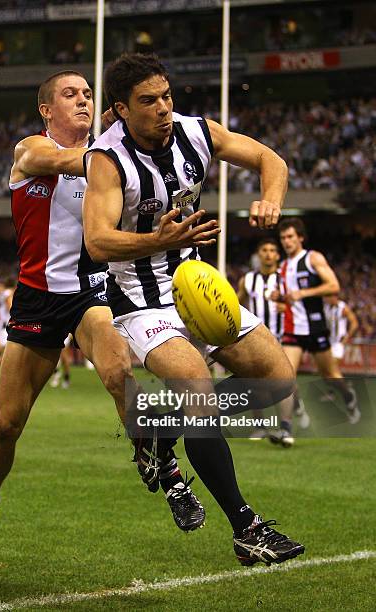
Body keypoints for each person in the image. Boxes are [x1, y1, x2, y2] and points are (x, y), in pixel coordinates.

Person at [0, 70, 202, 573]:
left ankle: (166, 470)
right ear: (47, 109)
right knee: (6, 424)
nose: (83, 100)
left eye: (89, 94)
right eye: (71, 94)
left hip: (92, 292)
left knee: (118, 373)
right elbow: (73, 159)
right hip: (38, 299)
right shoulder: (32, 151)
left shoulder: (108, 155)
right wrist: (114, 134)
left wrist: (122, 128)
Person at [83, 52, 304, 566]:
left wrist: (271, 197)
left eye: (166, 95)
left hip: (197, 288)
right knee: (198, 390)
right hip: (140, 299)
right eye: (148, 101)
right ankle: (247, 529)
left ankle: (160, 430)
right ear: (119, 110)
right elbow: (96, 242)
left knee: (277, 380)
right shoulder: (106, 159)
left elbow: (271, 159)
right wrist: (153, 239)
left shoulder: (196, 132)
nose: (163, 108)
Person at [274, 218, 360, 432]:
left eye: (290, 236)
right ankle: (286, 427)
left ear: (300, 237)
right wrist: (280, 298)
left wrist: (304, 293)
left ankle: (348, 396)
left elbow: (334, 285)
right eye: (283, 238)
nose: (287, 241)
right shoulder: (282, 267)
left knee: (330, 377)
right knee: (285, 376)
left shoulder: (312, 258)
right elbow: (290, 298)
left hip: (315, 328)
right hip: (293, 330)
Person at [237, 238, 310, 444]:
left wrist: (286, 308)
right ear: (258, 254)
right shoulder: (248, 279)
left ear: (278, 255)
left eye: (272, 250)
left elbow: (299, 307)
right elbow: (235, 303)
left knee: (284, 381)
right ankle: (259, 426)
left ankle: (286, 428)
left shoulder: (286, 279)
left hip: (284, 336)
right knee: (254, 381)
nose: (268, 254)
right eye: (264, 250)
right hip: (257, 338)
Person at [320, 294, 359, 402]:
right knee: (326, 371)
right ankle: (342, 387)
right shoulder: (326, 307)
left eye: (329, 297)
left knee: (332, 368)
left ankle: (342, 393)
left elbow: (354, 323)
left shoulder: (343, 308)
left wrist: (347, 337)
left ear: (335, 297)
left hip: (338, 344)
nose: (327, 299)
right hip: (328, 342)